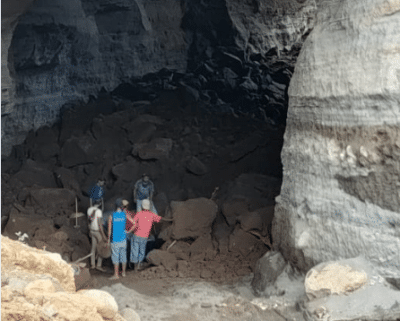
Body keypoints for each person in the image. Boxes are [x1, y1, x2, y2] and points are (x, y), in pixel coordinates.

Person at [130, 199, 172, 271]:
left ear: (142, 206)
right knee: (142, 250)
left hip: (137, 235)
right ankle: (139, 265)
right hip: (145, 236)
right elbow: (161, 219)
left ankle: (135, 267)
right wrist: (170, 219)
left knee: (135, 250)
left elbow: (133, 222)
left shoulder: (139, 214)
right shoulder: (151, 215)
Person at [108, 198, 136, 280]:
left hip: (115, 240)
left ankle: (116, 275)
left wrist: (107, 239)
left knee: (115, 257)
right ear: (122, 206)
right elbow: (134, 223)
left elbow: (109, 230)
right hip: (123, 239)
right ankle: (123, 273)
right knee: (123, 256)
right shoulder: (125, 215)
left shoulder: (112, 215)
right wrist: (128, 231)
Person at [87, 202, 107, 272]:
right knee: (101, 248)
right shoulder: (98, 211)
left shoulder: (89, 209)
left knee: (93, 248)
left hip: (92, 231)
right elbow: (99, 224)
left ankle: (93, 265)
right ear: (99, 204)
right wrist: (103, 235)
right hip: (98, 232)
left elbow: (89, 222)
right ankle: (98, 265)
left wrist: (89, 230)